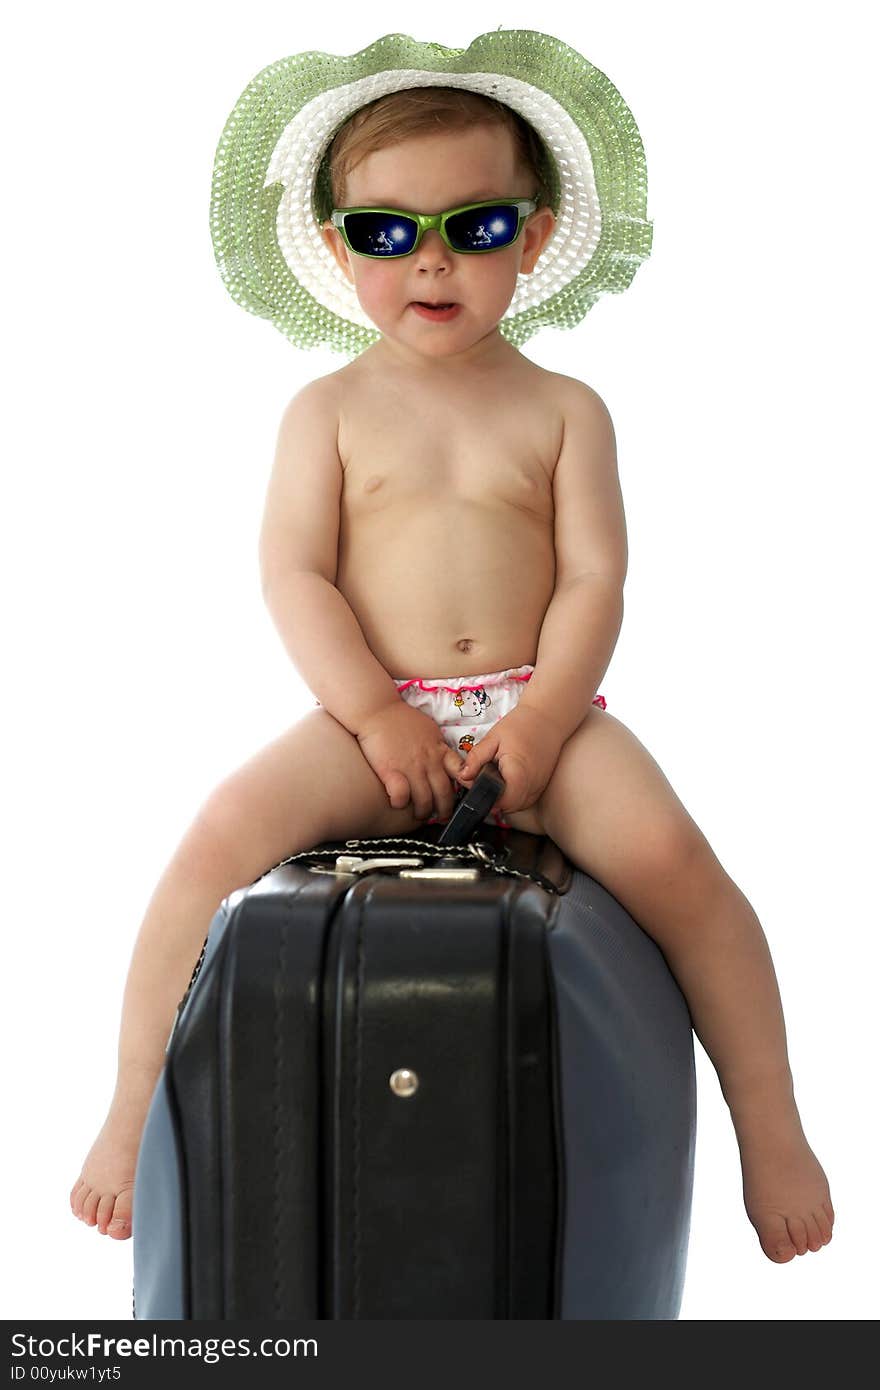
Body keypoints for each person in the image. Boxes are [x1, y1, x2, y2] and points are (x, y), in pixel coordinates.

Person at [70, 28, 833, 1263]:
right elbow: (294, 575)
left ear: (529, 238)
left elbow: (595, 579)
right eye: (387, 233)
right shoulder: (325, 412)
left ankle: (774, 1120)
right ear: (338, 247)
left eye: (473, 228)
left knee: (680, 866)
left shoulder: (564, 410)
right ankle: (124, 1114)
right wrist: (374, 715)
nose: (431, 263)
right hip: (373, 709)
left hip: (543, 706)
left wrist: (540, 725)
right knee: (213, 839)